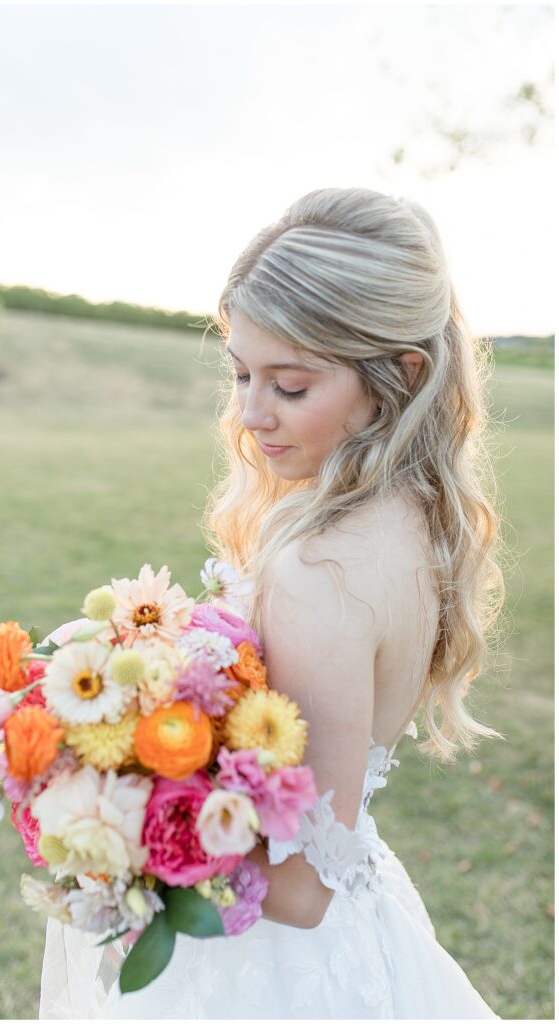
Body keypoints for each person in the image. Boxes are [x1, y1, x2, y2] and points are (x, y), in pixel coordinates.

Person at [39, 186, 504, 1019]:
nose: (252, 414)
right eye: (242, 373)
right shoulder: (414, 521)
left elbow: (300, 890)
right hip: (364, 933)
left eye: (289, 385)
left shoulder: (321, 568)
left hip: (271, 971)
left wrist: (124, 804)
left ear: (400, 375)